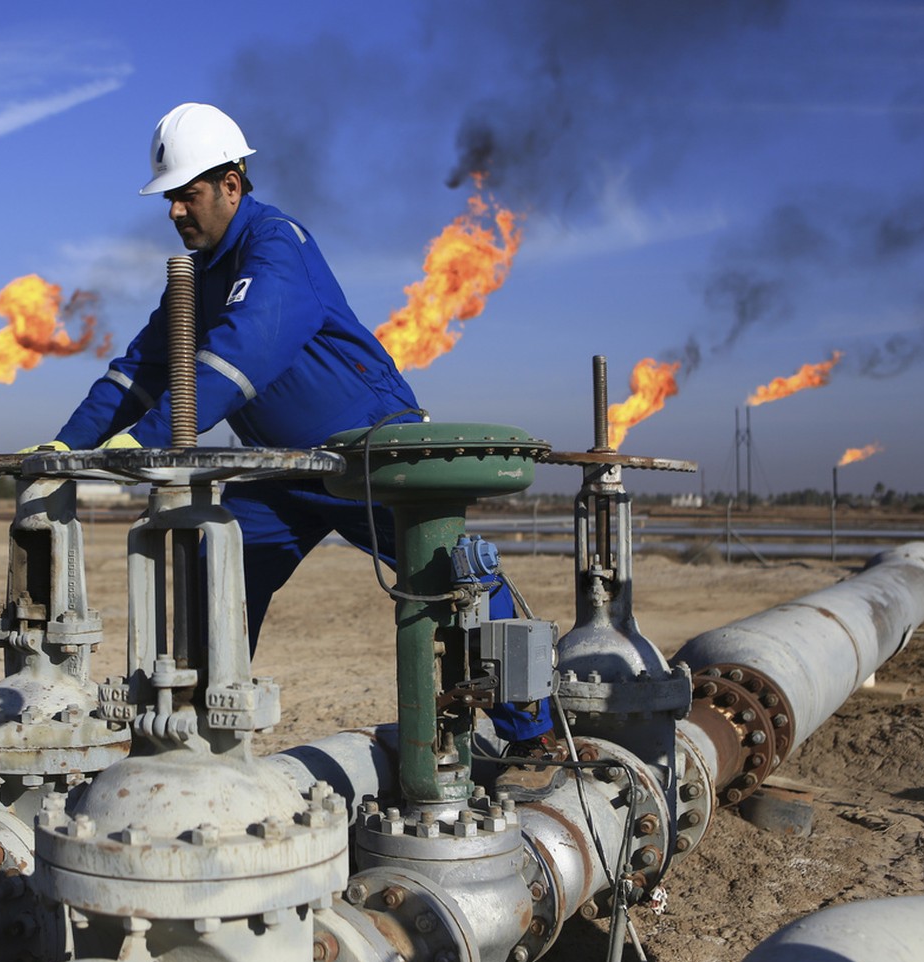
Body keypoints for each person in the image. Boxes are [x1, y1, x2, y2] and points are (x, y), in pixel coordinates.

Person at [34, 102, 552, 754]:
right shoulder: (191, 281)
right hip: (286, 469)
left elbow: (244, 351)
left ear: (231, 183)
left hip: (367, 454)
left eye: (186, 195)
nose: (173, 212)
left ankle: (531, 734)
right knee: (214, 569)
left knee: (456, 578)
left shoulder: (278, 243)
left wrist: (151, 436)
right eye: (167, 198)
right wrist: (65, 444)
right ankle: (201, 737)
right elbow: (138, 372)